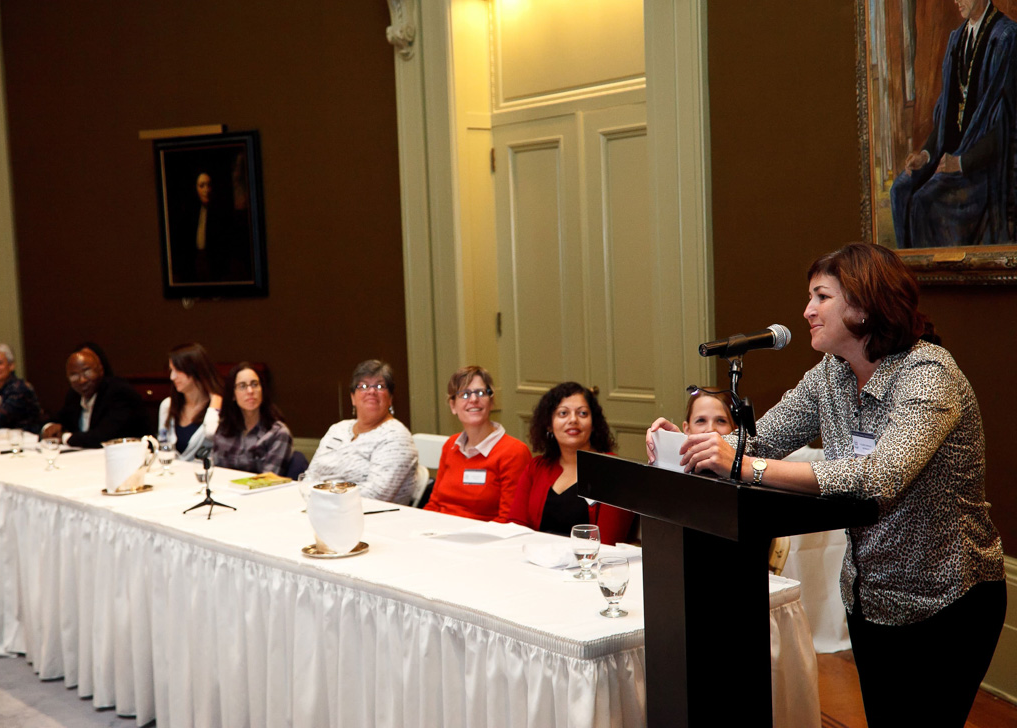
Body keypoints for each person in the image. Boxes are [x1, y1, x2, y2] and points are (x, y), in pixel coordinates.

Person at [646, 243, 1005, 727]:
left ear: (863, 304)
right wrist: (688, 446)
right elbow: (762, 440)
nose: (806, 311)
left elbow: (880, 475)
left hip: (946, 600)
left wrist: (743, 467)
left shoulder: (929, 376)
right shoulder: (831, 375)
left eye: (820, 297)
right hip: (870, 595)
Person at [890, 0, 1017, 247]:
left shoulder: (1007, 37)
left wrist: (961, 162)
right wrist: (926, 154)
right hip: (947, 155)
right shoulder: (956, 39)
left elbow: (1008, 124)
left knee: (924, 202)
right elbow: (947, 116)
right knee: (900, 190)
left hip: (984, 164)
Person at [508, 382, 635, 545]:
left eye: (582, 413)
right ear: (549, 425)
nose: (573, 420)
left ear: (593, 423)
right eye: (563, 413)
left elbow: (607, 543)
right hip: (537, 562)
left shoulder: (612, 471)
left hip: (588, 565)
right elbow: (516, 528)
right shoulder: (536, 468)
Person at [423, 366, 532, 522]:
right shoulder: (451, 445)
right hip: (440, 534)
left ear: (491, 401)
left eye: (480, 393)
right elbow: (434, 504)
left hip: (484, 540)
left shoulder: (514, 451)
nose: (473, 399)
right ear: (453, 406)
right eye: (464, 394)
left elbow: (511, 520)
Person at [305, 359, 417, 504]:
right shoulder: (337, 430)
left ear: (390, 398)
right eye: (363, 386)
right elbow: (310, 477)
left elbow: (376, 494)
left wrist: (323, 498)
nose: (371, 391)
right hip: (320, 508)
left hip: (369, 517)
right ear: (352, 397)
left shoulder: (396, 436)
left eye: (380, 386)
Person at [40, 348, 149, 448]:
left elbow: (104, 437)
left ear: (101, 370)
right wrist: (49, 428)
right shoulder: (75, 395)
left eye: (87, 372)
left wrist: (64, 437)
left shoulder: (119, 392)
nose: (82, 380)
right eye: (74, 375)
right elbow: (60, 419)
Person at [211, 362, 295, 476]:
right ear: (233, 395)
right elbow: (215, 472)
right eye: (242, 386)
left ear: (262, 390)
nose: (250, 391)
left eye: (254, 384)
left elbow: (267, 481)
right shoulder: (224, 429)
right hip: (224, 491)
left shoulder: (278, 433)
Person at [157, 343, 222, 461]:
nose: (172, 377)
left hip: (204, 476)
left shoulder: (217, 406)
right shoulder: (167, 406)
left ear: (194, 370)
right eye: (171, 370)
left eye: (177, 370)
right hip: (172, 475)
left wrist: (215, 402)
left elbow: (211, 433)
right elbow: (163, 448)